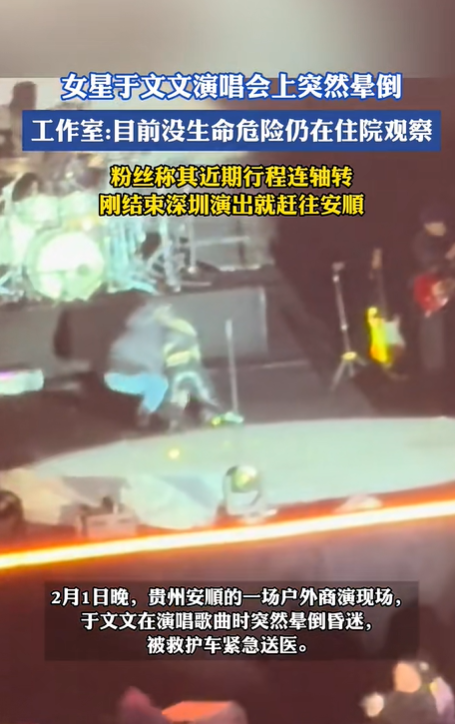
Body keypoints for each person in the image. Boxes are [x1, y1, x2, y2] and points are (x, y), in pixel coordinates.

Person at [154, 304, 244, 430]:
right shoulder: (177, 327)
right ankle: (176, 420)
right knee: (198, 395)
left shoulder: (165, 330)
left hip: (181, 367)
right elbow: (194, 345)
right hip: (183, 367)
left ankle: (176, 419)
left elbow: (191, 345)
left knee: (183, 396)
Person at [412, 203, 455, 413]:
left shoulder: (445, 238)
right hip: (429, 297)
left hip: (447, 294)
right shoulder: (421, 242)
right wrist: (449, 257)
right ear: (429, 225)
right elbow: (432, 267)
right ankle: (434, 389)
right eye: (440, 224)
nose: (443, 227)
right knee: (433, 341)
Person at [104, 301, 169, 428]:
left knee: (159, 382)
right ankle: (146, 413)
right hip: (120, 376)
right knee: (160, 383)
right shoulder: (149, 334)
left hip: (116, 378)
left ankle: (149, 413)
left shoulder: (133, 332)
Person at [361, 659, 440, 724]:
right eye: (396, 674)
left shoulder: (426, 703)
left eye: (403, 673)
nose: (396, 677)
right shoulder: (391, 698)